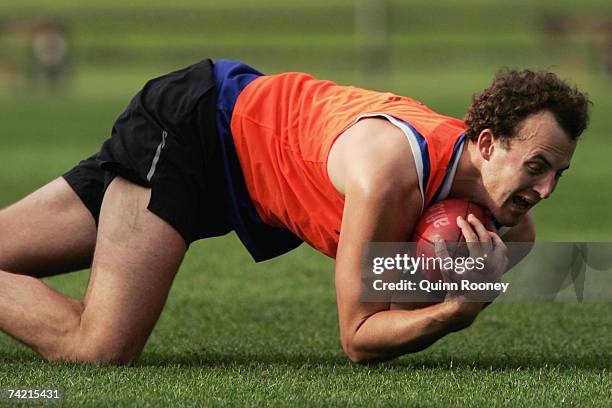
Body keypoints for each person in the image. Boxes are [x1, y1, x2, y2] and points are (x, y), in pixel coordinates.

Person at [0, 59, 590, 364]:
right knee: (100, 349)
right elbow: (359, 338)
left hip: (243, 162)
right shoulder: (389, 172)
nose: (544, 191)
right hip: (196, 133)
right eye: (536, 166)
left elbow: (396, 302)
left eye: (558, 174)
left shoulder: (510, 235)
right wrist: (454, 311)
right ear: (486, 145)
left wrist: (442, 285)